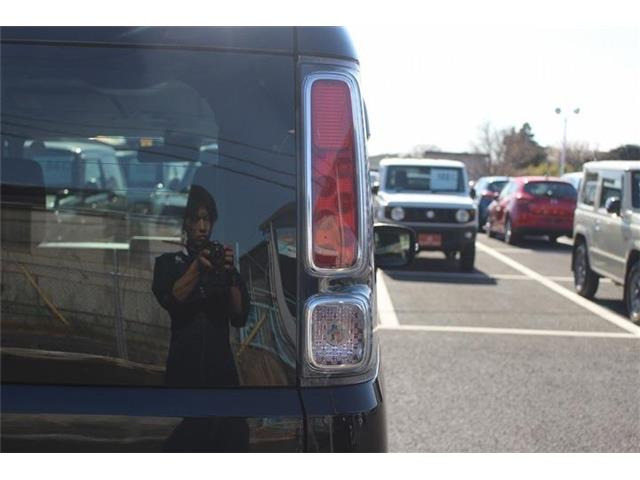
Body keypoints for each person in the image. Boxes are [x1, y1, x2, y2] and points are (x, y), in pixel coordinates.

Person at [152, 185, 250, 387]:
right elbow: (172, 299)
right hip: (182, 378)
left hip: (222, 380)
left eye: (207, 219)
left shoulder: (224, 266)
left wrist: (230, 274)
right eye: (196, 219)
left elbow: (239, 317)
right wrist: (197, 267)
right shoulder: (168, 264)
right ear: (185, 223)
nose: (203, 227)